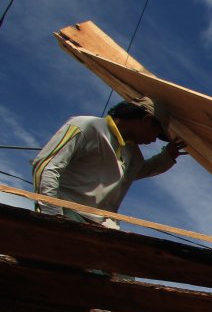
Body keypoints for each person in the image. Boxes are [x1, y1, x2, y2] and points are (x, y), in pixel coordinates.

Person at [30, 96, 185, 228]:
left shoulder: (132, 154)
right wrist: (53, 217)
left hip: (101, 226)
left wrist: (168, 156)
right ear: (146, 119)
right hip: (67, 213)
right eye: (155, 134)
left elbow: (142, 170)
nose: (153, 140)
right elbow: (47, 167)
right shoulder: (88, 126)